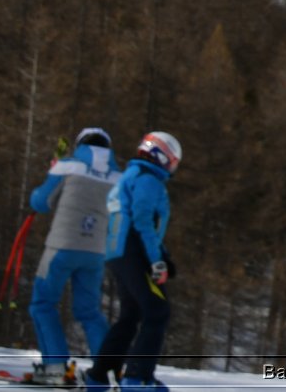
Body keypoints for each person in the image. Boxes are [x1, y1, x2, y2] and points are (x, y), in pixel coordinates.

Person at [84, 132, 181, 392]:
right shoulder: (149, 179)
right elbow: (142, 220)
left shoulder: (132, 175)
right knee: (157, 311)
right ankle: (137, 378)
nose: (172, 168)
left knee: (131, 314)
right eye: (173, 161)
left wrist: (163, 256)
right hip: (133, 250)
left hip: (118, 250)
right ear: (161, 156)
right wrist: (156, 260)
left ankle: (99, 376)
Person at [27, 127, 119, 386]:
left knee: (43, 304)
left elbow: (40, 202)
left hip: (61, 246)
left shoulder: (68, 166)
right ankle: (107, 372)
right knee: (89, 312)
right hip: (96, 251)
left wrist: (51, 172)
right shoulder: (118, 176)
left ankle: (56, 371)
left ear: (80, 144)